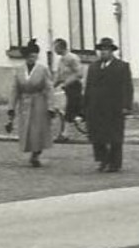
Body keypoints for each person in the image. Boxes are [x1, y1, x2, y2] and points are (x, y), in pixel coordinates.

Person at [85, 36, 134, 172]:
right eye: (101, 50)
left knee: (115, 137)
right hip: (96, 107)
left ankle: (114, 163)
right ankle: (102, 159)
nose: (103, 52)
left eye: (106, 50)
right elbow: (88, 87)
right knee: (97, 136)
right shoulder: (93, 67)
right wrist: (85, 107)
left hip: (114, 107)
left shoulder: (122, 67)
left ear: (112, 51)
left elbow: (127, 87)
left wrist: (126, 106)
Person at [7, 39, 54, 167]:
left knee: (37, 130)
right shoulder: (19, 70)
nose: (32, 59)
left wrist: (51, 107)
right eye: (29, 57)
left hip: (39, 102)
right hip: (25, 103)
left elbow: (49, 88)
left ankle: (36, 154)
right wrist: (11, 107)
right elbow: (14, 89)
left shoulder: (42, 69)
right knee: (27, 129)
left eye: (34, 56)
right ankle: (31, 150)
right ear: (25, 57)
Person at [51, 37, 84, 142]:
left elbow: (79, 73)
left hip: (74, 86)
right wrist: (52, 86)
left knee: (70, 109)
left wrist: (67, 82)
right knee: (63, 110)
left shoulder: (72, 58)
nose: (54, 50)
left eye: (55, 47)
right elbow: (59, 76)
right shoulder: (61, 60)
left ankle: (66, 134)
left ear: (61, 47)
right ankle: (65, 131)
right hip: (66, 88)